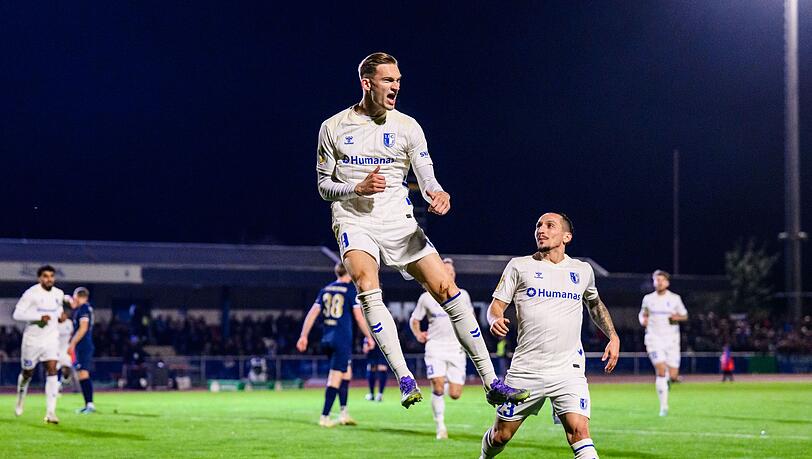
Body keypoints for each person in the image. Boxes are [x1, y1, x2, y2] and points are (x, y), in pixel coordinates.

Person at [316, 51, 527, 408]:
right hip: (355, 219)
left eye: (398, 80)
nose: (396, 86)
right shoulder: (333, 127)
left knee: (448, 287)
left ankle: (492, 381)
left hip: (399, 221)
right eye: (388, 80)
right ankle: (405, 378)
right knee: (368, 286)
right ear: (366, 84)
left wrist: (437, 193)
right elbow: (323, 186)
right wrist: (356, 188)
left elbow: (426, 176)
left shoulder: (408, 127)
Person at [480, 213, 620, 459]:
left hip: (568, 369)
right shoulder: (519, 265)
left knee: (579, 431)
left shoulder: (582, 270)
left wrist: (613, 336)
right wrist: (495, 320)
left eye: (549, 226)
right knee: (501, 435)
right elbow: (496, 306)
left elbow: (595, 305)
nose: (541, 230)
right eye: (538, 226)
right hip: (527, 368)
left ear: (566, 236)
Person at [297, 262, 375, 427]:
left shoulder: (325, 290)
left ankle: (344, 414)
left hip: (327, 338)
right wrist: (369, 337)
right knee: (335, 377)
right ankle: (324, 417)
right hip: (341, 340)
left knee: (346, 374)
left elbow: (312, 314)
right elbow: (359, 317)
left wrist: (304, 336)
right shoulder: (350, 290)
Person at [409, 257, 470, 439]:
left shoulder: (463, 295)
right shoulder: (426, 297)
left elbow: (470, 320)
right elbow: (414, 320)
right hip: (435, 346)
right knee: (437, 385)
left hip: (456, 349)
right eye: (445, 272)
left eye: (451, 272)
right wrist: (418, 334)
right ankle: (440, 427)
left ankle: (440, 385)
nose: (449, 275)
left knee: (455, 394)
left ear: (454, 274)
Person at [13, 265, 66, 424]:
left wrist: (61, 315)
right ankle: (21, 398)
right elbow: (17, 314)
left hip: (51, 339)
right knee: (27, 373)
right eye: (45, 276)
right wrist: (38, 317)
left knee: (52, 370)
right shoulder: (31, 294)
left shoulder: (58, 293)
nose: (49, 279)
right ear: (39, 278)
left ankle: (51, 412)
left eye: (51, 276)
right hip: (33, 340)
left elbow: (58, 311)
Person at [638, 270, 688, 416]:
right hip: (654, 338)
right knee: (660, 370)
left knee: (673, 375)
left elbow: (684, 315)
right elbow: (643, 313)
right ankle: (663, 407)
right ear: (653, 282)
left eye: (662, 280)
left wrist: (676, 317)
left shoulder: (675, 298)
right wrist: (642, 320)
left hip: (672, 340)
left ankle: (667, 380)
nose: (659, 282)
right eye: (656, 279)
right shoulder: (648, 299)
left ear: (667, 282)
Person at [67, 287, 96, 414]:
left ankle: (90, 404)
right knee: (81, 374)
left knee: (84, 373)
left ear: (79, 296)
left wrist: (72, 343)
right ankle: (87, 404)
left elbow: (83, 328)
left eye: (75, 297)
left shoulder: (84, 309)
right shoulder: (83, 308)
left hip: (84, 345)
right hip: (82, 345)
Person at [57, 301, 75, 393]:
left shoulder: (69, 323)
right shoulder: (54, 324)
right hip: (55, 349)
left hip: (66, 349)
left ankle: (67, 380)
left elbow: (72, 334)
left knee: (67, 367)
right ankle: (57, 385)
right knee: (54, 369)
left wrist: (72, 345)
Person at [363, 336, 388, 402]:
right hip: (379, 341)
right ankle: (376, 394)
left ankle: (375, 394)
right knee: (376, 368)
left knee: (380, 368)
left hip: (378, 342)